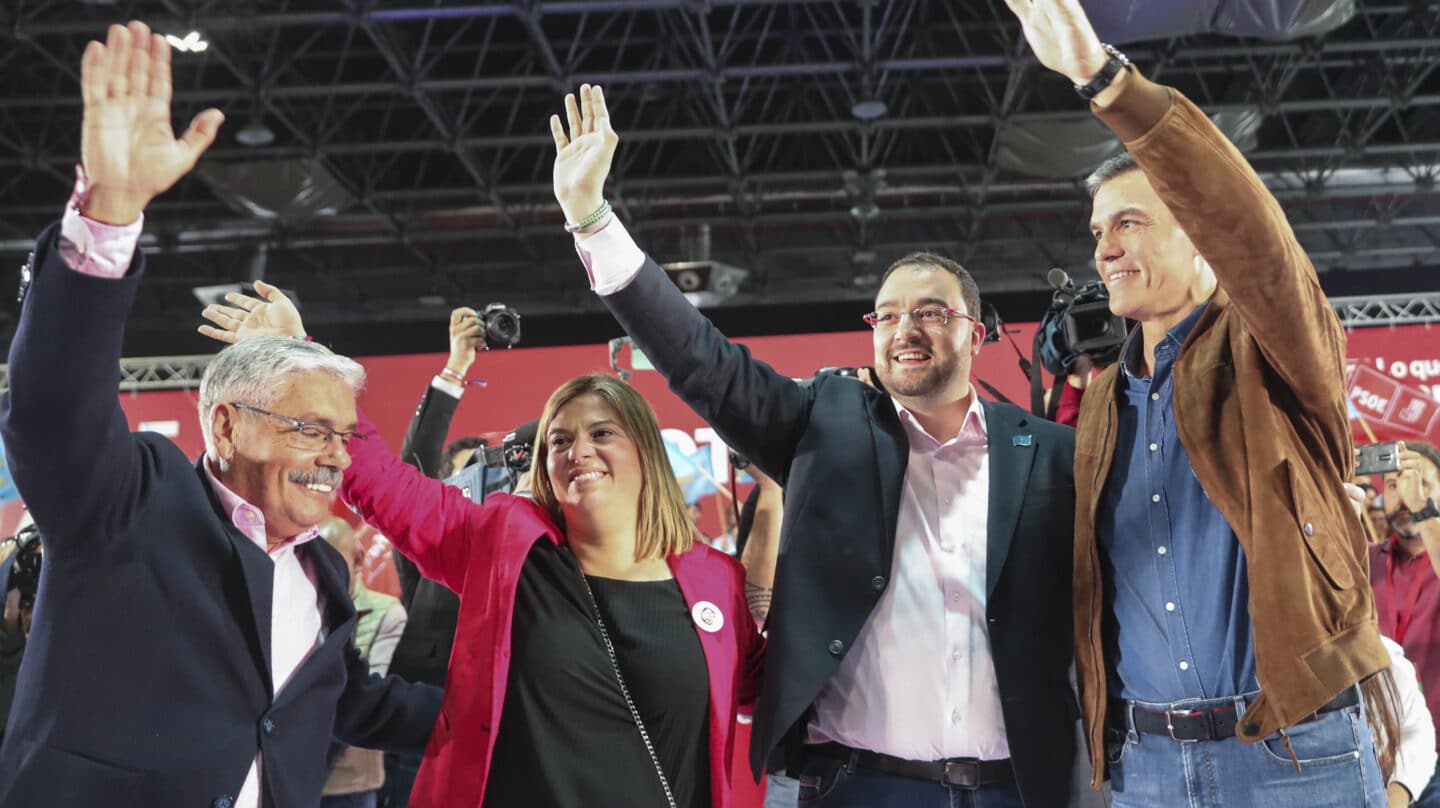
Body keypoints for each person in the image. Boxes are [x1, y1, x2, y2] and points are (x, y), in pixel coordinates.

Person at [552, 84, 1080, 806]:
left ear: (976, 333)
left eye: (930, 311)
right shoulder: (823, 423)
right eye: (887, 315)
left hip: (1019, 788)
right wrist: (592, 218)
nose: (905, 330)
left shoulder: (1051, 452)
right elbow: (700, 359)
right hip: (860, 785)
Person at [0, 22, 441, 808]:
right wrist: (107, 216)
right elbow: (50, 412)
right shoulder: (131, 502)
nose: (337, 455)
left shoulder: (323, 569)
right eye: (311, 427)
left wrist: (521, 718)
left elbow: (337, 706)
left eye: (343, 434)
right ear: (228, 425)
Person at [1004, 0, 1396, 805]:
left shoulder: (1273, 353)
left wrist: (1105, 81)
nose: (1103, 248)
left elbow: (1253, 234)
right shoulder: (1103, 407)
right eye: (1096, 230)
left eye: (1130, 223)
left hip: (1297, 756)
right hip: (1148, 767)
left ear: (1199, 240)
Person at [200, 289, 765, 808]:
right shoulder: (504, 548)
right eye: (560, 440)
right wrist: (298, 353)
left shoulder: (714, 579)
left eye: (602, 434)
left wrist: (780, 500)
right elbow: (381, 484)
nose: (579, 452)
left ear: (645, 450)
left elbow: (762, 687)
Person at [320, 518, 410, 808]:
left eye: (332, 558)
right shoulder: (302, 604)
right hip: (296, 775)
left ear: (357, 559)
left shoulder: (386, 612)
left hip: (349, 783)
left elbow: (368, 693)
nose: (322, 569)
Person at [1369, 441, 1440, 807]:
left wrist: (1424, 510)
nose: (1406, 496)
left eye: (1421, 482)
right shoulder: (1363, 558)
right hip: (1374, 755)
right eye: (1394, 485)